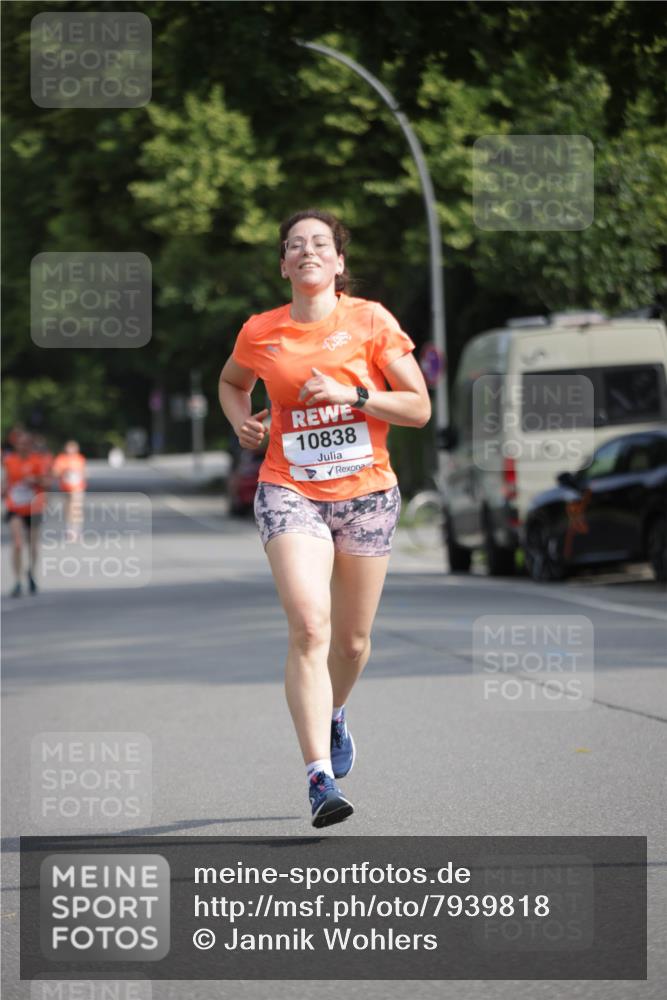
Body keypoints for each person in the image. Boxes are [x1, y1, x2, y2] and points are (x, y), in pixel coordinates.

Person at [218, 209, 431, 828]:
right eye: (294, 246)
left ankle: (335, 713)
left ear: (339, 263)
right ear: (283, 265)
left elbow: (417, 406)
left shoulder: (369, 320)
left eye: (320, 244)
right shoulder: (260, 331)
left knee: (353, 641)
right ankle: (319, 776)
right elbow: (233, 383)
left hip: (366, 494)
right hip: (291, 489)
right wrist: (242, 421)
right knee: (311, 626)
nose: (307, 252)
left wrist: (355, 396)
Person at [1, 431, 50, 596]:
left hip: (33, 508)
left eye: (25, 444)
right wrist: (3, 489)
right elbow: (5, 481)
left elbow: (47, 482)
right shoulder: (9, 461)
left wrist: (35, 480)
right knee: (17, 543)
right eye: (19, 444)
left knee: (32, 544)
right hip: (15, 507)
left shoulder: (37, 461)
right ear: (16, 445)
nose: (22, 446)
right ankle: (17, 580)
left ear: (29, 445)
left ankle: (31, 573)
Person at [52, 440, 87, 541]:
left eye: (73, 448)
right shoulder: (61, 459)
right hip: (65, 488)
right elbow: (55, 472)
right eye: (69, 448)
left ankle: (77, 530)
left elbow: (84, 472)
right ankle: (69, 529)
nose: (71, 450)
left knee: (76, 508)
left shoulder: (80, 459)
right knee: (68, 510)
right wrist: (64, 471)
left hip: (78, 487)